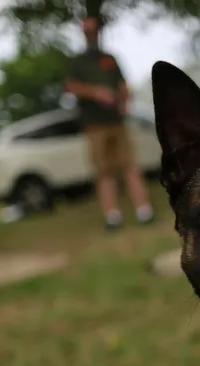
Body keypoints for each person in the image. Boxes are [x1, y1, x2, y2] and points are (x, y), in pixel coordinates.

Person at [64, 15, 155, 231]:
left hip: (117, 122)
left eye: (93, 31)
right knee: (104, 171)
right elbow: (70, 86)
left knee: (130, 166)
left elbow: (123, 85)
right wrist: (95, 92)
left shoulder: (110, 59)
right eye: (87, 32)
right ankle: (112, 217)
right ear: (82, 34)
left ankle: (144, 212)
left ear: (98, 32)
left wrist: (124, 100)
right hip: (94, 125)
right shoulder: (77, 62)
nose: (91, 35)